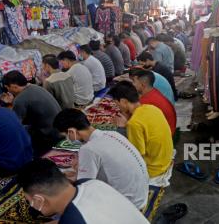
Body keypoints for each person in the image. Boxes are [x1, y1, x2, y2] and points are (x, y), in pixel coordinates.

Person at [53, 109, 149, 209]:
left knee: (74, 203)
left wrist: (68, 179)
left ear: (71, 132)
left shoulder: (88, 149)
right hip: (141, 195)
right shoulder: (112, 134)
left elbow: (84, 187)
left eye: (66, 136)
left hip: (130, 205)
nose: (68, 140)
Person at [109, 81, 174, 221]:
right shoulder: (151, 108)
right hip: (166, 159)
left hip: (154, 170)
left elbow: (135, 156)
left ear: (124, 101)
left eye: (116, 103)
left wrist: (121, 129)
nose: (117, 107)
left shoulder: (134, 124)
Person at [17, 159, 148, 224]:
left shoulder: (73, 220)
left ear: (39, 199)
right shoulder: (91, 183)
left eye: (30, 201)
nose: (31, 206)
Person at [2, 71, 62, 156]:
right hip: (59, 128)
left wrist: (8, 105)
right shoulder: (34, 87)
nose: (8, 91)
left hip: (49, 135)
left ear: (14, 86)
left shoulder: (20, 100)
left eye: (7, 88)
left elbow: (15, 124)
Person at [130, 69, 177, 135]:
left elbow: (135, 123)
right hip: (170, 127)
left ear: (142, 85)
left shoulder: (145, 102)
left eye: (134, 81)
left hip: (165, 134)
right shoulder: (152, 90)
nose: (132, 84)